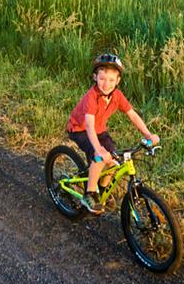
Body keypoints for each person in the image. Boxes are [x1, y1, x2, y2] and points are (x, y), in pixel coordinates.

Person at [66, 53, 160, 214]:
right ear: (95, 77)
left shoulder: (116, 95)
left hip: (100, 129)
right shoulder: (92, 97)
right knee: (99, 158)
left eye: (111, 80)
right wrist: (98, 149)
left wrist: (148, 134)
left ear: (118, 81)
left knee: (114, 161)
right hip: (80, 129)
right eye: (102, 79)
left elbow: (132, 114)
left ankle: (101, 191)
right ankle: (89, 195)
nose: (106, 84)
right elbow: (88, 125)